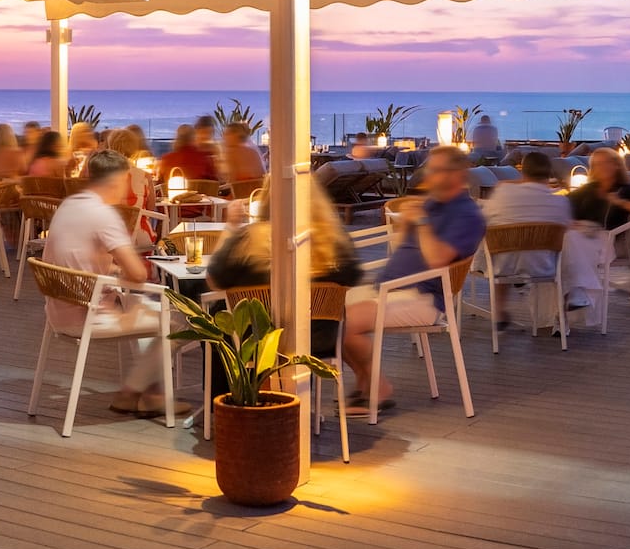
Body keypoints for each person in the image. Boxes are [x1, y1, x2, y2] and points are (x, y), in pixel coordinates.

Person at [42, 150, 189, 417]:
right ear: (117, 181)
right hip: (89, 316)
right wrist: (125, 271)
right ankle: (133, 392)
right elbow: (139, 274)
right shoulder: (104, 216)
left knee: (141, 304)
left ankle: (151, 393)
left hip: (58, 310)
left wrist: (112, 268)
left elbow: (75, 259)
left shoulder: (69, 205)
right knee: (179, 322)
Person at [342, 145, 485, 414]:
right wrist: (408, 221)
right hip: (391, 289)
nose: (428, 176)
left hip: (423, 297)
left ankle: (378, 388)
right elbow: (407, 248)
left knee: (346, 321)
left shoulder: (467, 216)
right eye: (429, 169)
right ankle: (366, 383)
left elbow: (437, 259)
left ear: (458, 175)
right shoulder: (433, 203)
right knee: (326, 313)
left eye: (436, 170)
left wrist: (420, 222)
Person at [208, 177, 362, 360]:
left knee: (217, 315)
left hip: (257, 341)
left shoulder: (248, 238)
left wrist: (231, 227)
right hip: (318, 338)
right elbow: (352, 279)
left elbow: (214, 280)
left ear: (266, 199)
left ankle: (230, 388)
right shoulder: (336, 238)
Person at [480, 151, 595, 324]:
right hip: (543, 267)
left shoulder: (502, 195)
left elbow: (484, 221)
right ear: (549, 174)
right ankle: (573, 294)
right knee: (570, 238)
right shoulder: (559, 202)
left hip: (501, 267)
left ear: (522, 172)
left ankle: (499, 311)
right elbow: (568, 228)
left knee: (502, 249)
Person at [568, 147, 630, 231]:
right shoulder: (588, 189)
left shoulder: (625, 189)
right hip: (581, 236)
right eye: (597, 164)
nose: (602, 167)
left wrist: (620, 202)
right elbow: (567, 201)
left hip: (611, 239)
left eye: (607, 162)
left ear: (617, 165)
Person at [103, 126, 158, 247]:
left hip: (112, 236)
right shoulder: (145, 176)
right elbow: (151, 208)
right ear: (134, 148)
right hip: (141, 235)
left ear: (110, 146)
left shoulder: (104, 176)